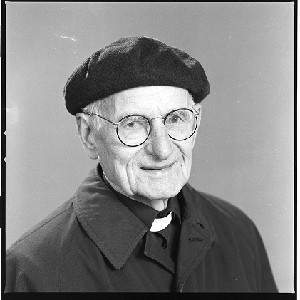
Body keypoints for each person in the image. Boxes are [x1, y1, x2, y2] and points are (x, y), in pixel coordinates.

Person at [5, 36, 278, 292]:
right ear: (88, 135)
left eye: (176, 119)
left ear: (197, 120)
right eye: (133, 124)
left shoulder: (238, 231)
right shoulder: (33, 270)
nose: (162, 150)